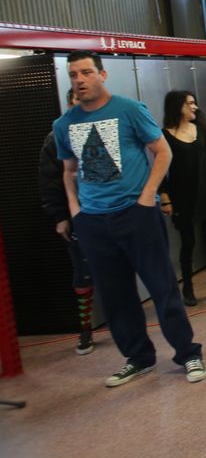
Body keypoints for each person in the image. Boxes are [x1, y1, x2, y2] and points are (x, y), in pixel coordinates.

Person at [53, 51, 206, 387]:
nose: (79, 80)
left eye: (86, 72)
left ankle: (188, 353)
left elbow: (163, 151)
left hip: (136, 214)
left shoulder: (129, 110)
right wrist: (76, 211)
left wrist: (146, 196)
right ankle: (138, 357)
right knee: (116, 295)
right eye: (73, 74)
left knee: (162, 287)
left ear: (102, 74)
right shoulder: (64, 125)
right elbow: (68, 171)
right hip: (93, 222)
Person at [39, 88, 95, 355]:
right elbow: (49, 181)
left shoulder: (101, 129)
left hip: (105, 211)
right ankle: (86, 329)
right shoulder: (56, 137)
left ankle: (126, 321)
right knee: (82, 274)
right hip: (75, 216)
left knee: (118, 269)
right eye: (76, 102)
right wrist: (60, 217)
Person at [159, 91, 206, 306]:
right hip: (182, 197)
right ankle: (187, 288)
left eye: (194, 103)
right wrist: (165, 198)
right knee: (188, 244)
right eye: (190, 103)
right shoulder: (164, 135)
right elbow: (161, 169)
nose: (195, 107)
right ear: (177, 106)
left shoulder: (200, 130)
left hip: (205, 193)